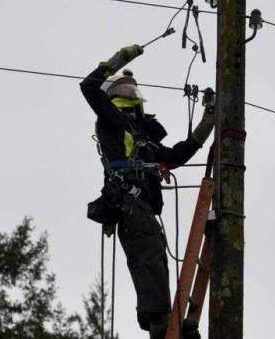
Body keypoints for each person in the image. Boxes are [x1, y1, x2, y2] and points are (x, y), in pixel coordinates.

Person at [80, 44, 214, 339]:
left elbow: (176, 156)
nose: (131, 93)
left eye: (133, 90)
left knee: (157, 263)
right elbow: (88, 86)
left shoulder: (146, 138)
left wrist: (207, 123)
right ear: (114, 96)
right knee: (149, 261)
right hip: (129, 202)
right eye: (125, 90)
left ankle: (168, 324)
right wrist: (120, 58)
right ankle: (160, 323)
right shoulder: (112, 122)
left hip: (144, 209)